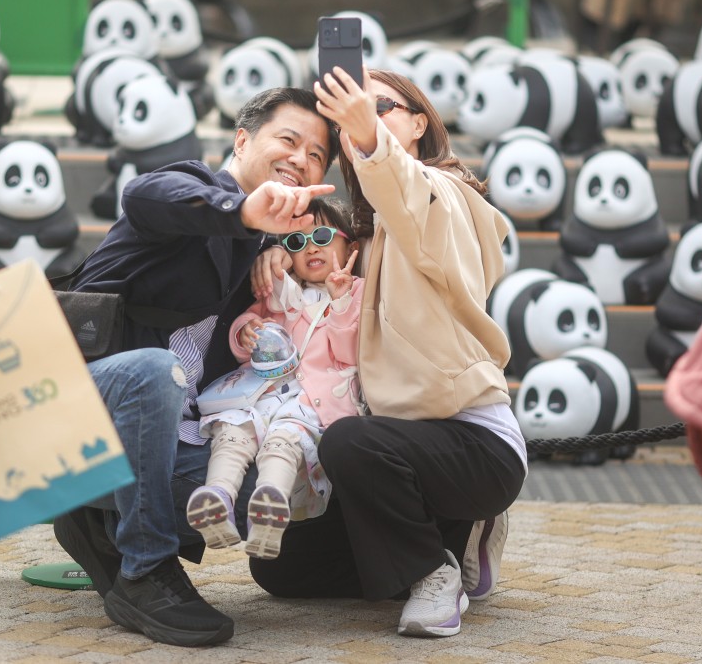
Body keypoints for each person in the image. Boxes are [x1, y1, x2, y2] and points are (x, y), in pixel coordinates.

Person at [52, 87, 338, 648]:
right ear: (242, 138)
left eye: (316, 155)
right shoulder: (193, 191)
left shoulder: (262, 255)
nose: (300, 159)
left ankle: (97, 522)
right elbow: (146, 194)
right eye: (288, 139)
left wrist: (274, 250)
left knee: (258, 485)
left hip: (173, 429)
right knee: (154, 372)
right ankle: (145, 569)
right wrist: (240, 210)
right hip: (80, 404)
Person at [247, 68, 528, 638]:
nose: (364, 117)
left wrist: (369, 136)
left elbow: (406, 192)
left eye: (383, 107)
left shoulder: (448, 197)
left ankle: (431, 571)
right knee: (283, 569)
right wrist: (275, 263)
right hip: (393, 450)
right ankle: (451, 535)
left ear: (420, 122)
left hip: (472, 444)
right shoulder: (359, 241)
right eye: (351, 113)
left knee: (351, 443)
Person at [186, 197, 363, 560]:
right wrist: (246, 331)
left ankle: (271, 503)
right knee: (233, 431)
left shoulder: (356, 292)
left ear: (352, 246)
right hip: (264, 392)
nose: (311, 247)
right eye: (297, 243)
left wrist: (342, 300)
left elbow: (350, 352)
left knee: (284, 440)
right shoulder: (280, 291)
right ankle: (217, 495)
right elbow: (248, 326)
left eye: (323, 236)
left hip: (311, 399)